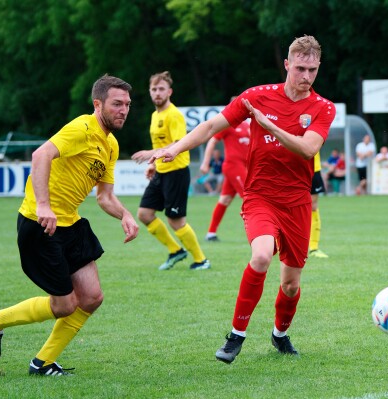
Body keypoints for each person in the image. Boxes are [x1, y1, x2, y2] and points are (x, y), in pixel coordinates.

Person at [150, 35, 335, 361]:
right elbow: (210, 127)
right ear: (287, 65)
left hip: (297, 203)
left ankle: (279, 335)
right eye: (301, 68)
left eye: (313, 70)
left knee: (290, 285)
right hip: (260, 197)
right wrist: (174, 148)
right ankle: (236, 336)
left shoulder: (322, 107)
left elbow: (308, 148)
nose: (306, 77)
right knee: (261, 256)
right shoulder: (256, 97)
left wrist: (268, 126)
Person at [0, 75, 139, 376]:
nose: (124, 110)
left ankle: (42, 363)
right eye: (117, 104)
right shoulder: (82, 128)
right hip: (40, 224)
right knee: (64, 305)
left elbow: (104, 197)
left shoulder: (111, 144)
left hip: (70, 224)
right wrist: (42, 205)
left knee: (91, 297)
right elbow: (41, 155)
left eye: (127, 105)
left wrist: (126, 215)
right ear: (98, 104)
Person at [131, 71, 210, 271]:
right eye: (154, 89)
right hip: (161, 171)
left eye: (161, 89)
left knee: (175, 221)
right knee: (144, 214)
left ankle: (201, 260)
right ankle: (176, 251)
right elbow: (161, 143)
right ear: (149, 92)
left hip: (176, 172)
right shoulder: (154, 115)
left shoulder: (173, 114)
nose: (157, 93)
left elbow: (178, 143)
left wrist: (150, 153)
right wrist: (153, 163)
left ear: (169, 92)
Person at [200, 117, 250, 242]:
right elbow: (212, 141)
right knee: (250, 198)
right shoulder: (228, 124)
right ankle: (259, 233)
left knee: (225, 200)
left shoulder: (247, 125)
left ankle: (211, 233)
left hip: (243, 167)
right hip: (233, 166)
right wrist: (205, 163)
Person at [309, 151, 328, 258]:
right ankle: (279, 245)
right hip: (291, 168)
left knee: (313, 207)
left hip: (313, 168)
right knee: (287, 206)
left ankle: (314, 248)